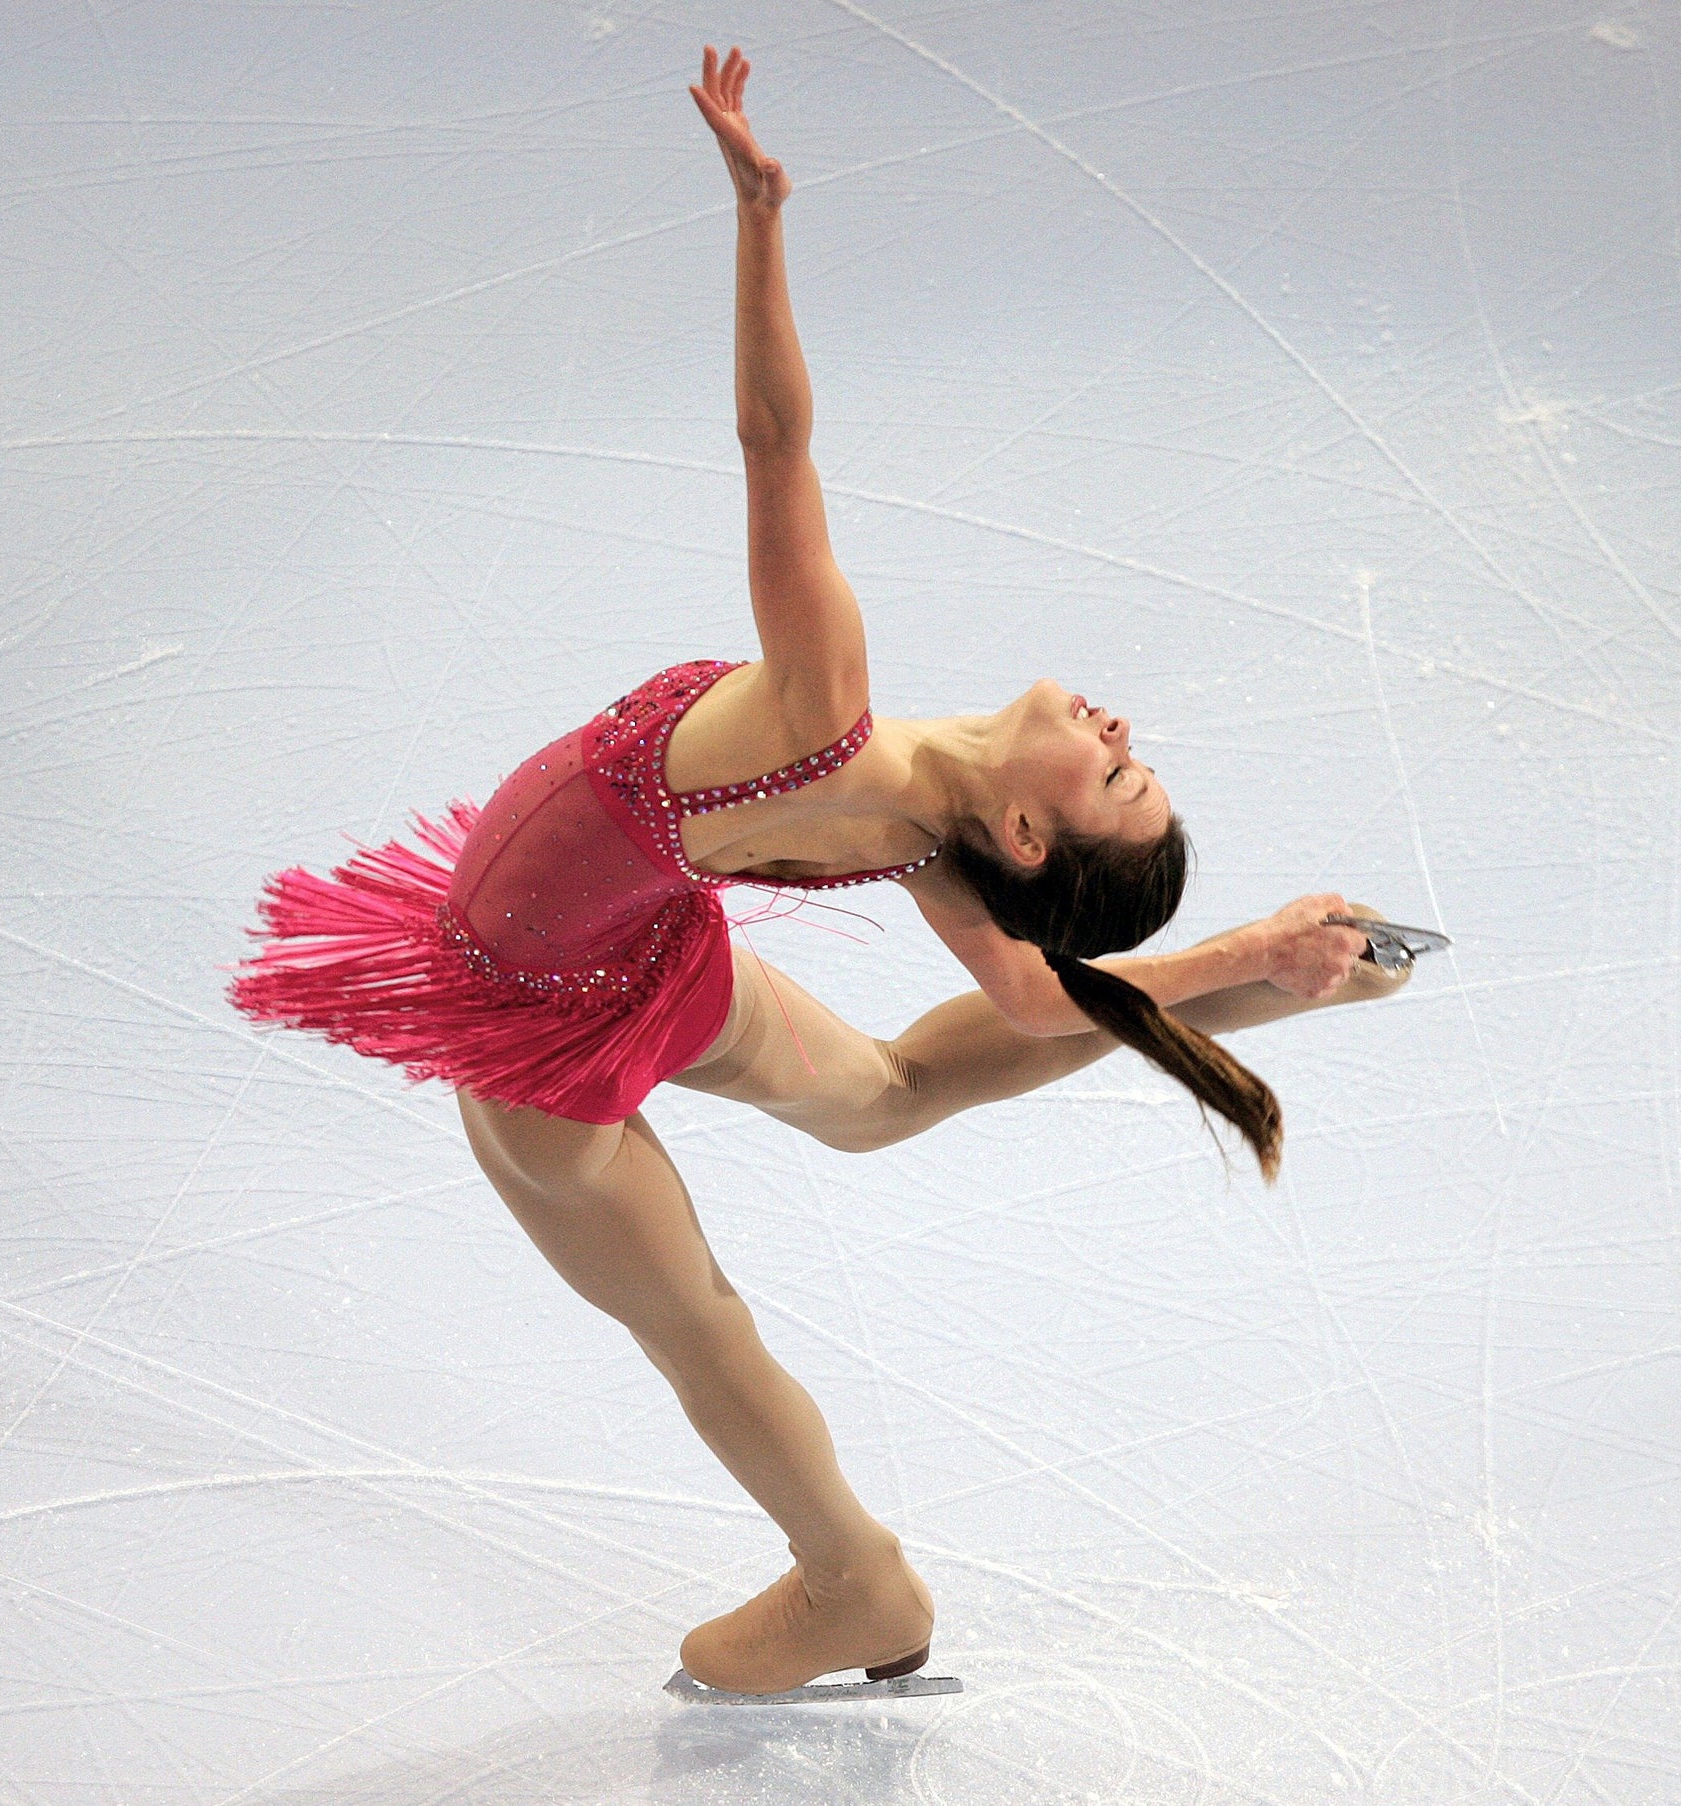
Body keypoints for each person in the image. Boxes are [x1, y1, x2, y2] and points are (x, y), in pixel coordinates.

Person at [229, 44, 1403, 1698]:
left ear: (1027, 833)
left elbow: (774, 439)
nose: (1122, 725)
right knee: (884, 1092)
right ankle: (851, 1570)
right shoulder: (936, 834)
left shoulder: (831, 713)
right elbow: (1035, 992)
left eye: (1117, 774)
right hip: (656, 954)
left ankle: (850, 1578)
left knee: (695, 1319)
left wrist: (759, 220)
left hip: (533, 1017)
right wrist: (1251, 956)